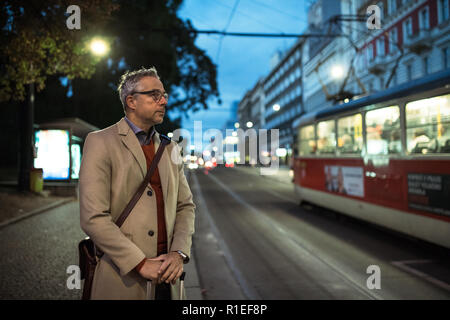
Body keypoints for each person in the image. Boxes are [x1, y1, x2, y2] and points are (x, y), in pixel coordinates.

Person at [79, 67, 195, 300]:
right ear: (131, 101)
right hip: (122, 278)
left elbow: (185, 206)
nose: (163, 101)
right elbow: (93, 217)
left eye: (164, 95)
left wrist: (178, 252)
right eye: (155, 95)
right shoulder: (100, 142)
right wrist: (139, 263)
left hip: (167, 279)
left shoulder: (170, 148)